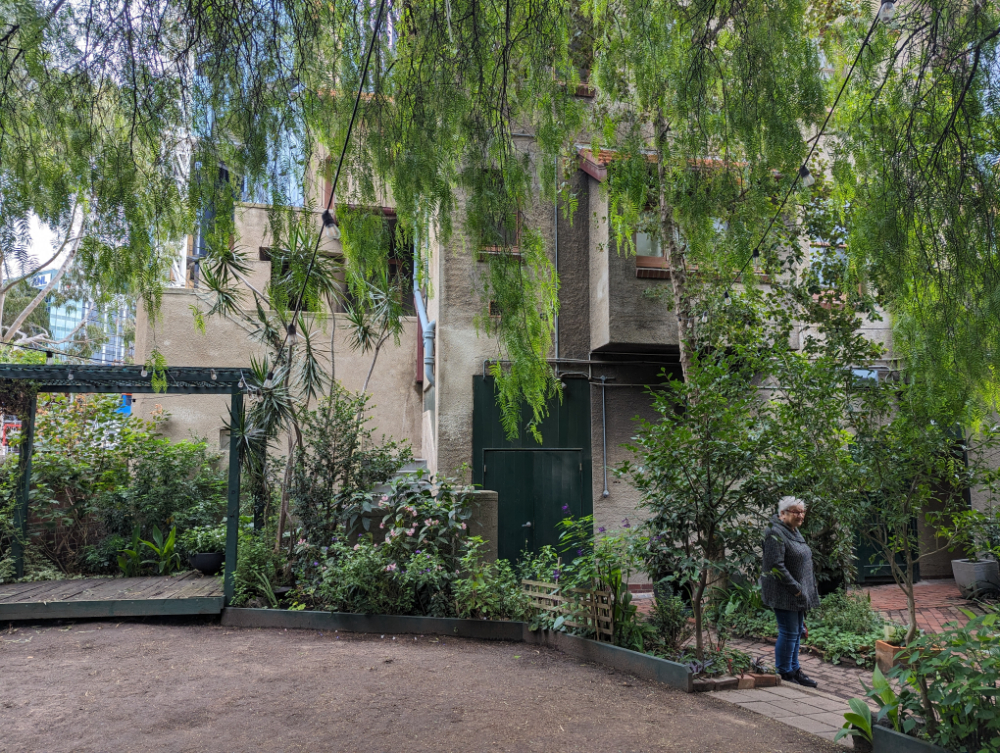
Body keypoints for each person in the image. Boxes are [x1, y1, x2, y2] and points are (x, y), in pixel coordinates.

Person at [761, 496, 820, 688]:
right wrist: (795, 589)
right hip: (785, 592)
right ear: (783, 513)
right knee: (788, 632)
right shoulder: (774, 532)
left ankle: (794, 669)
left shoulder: (792, 530)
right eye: (796, 512)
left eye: (803, 511)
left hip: (798, 592)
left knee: (796, 632)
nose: (801, 515)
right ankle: (785, 671)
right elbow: (775, 565)